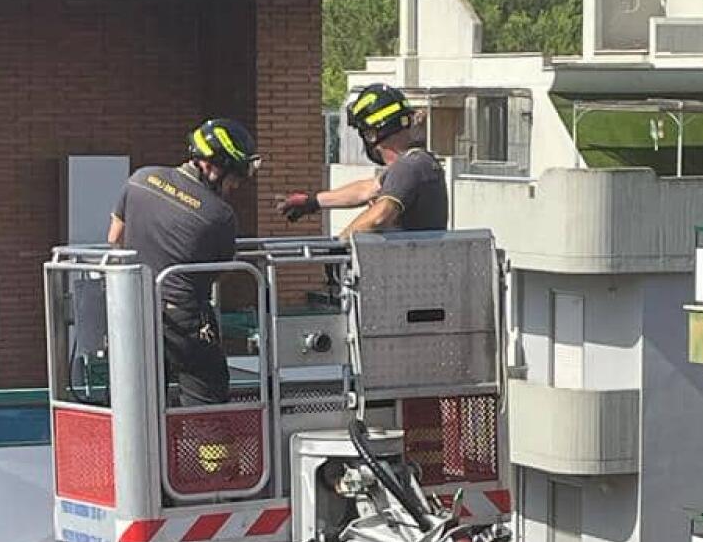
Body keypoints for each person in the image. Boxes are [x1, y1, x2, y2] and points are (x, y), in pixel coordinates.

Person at [107, 118, 261, 405]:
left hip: (133, 312)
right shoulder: (219, 215)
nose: (235, 186)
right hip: (186, 320)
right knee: (208, 405)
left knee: (138, 404)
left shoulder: (141, 178)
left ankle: (145, 450)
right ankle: (211, 449)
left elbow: (115, 237)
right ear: (212, 167)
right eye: (235, 178)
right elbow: (217, 273)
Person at [276, 82, 448, 238]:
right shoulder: (416, 164)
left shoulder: (409, 167)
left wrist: (342, 244)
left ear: (371, 134)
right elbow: (367, 189)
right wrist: (314, 201)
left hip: (406, 269)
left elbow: (379, 216)